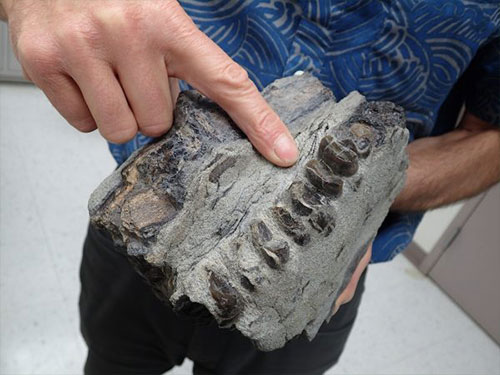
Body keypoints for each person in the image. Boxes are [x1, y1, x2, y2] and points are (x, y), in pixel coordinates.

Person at [1, 1, 499, 374]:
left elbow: (490, 138)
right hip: (144, 229)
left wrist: (369, 189)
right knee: (113, 361)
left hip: (319, 275)